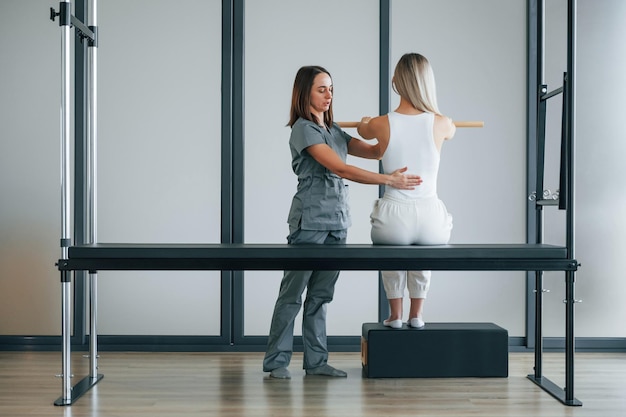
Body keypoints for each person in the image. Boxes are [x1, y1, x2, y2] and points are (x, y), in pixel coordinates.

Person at [263, 65, 422, 379]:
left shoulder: (334, 131)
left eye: (331, 89)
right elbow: (342, 169)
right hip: (309, 221)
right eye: (321, 89)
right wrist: (389, 180)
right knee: (292, 294)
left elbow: (376, 151)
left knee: (321, 295)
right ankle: (276, 362)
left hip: (338, 222)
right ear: (304, 92)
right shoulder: (303, 129)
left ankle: (316, 362)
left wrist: (378, 127)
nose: (328, 95)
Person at [357, 53, 455, 330]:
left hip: (393, 216)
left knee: (393, 259)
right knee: (422, 257)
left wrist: (365, 122)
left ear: (395, 82)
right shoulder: (442, 122)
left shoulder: (380, 123)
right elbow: (452, 132)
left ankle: (395, 315)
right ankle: (417, 315)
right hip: (430, 218)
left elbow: (364, 132)